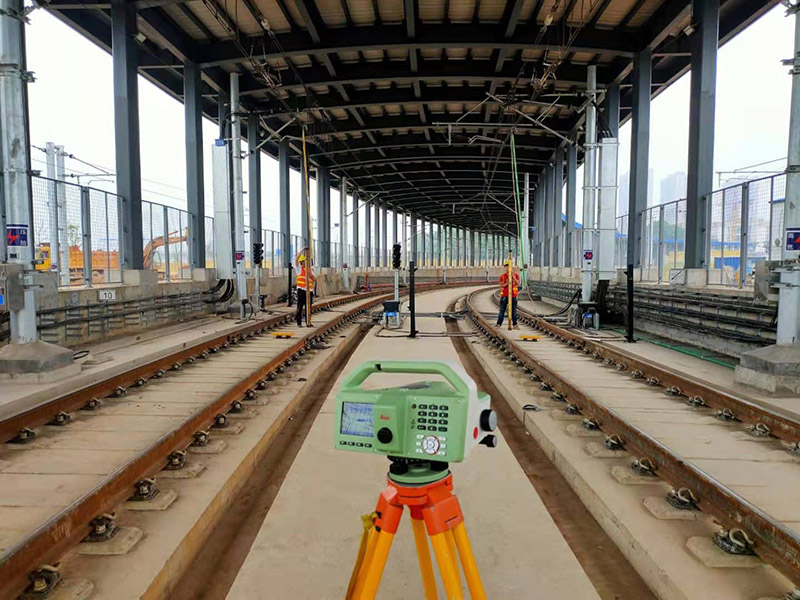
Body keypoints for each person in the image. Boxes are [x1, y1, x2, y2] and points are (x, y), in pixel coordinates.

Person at [295, 248, 316, 327]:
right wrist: (302, 250)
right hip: (301, 290)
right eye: (304, 261)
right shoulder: (299, 269)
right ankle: (299, 322)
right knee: (300, 306)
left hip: (309, 291)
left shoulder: (310, 270)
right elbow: (296, 259)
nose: (305, 262)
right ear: (301, 262)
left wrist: (311, 276)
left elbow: (314, 279)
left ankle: (308, 321)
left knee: (308, 307)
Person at [496, 259, 520, 329]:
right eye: (506, 266)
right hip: (504, 296)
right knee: (502, 310)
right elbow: (501, 285)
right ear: (504, 267)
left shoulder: (515, 275)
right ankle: (499, 323)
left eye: (509, 266)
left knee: (513, 311)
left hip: (513, 296)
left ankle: (515, 324)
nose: (508, 268)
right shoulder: (502, 276)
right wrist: (507, 283)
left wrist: (512, 276)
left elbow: (517, 283)